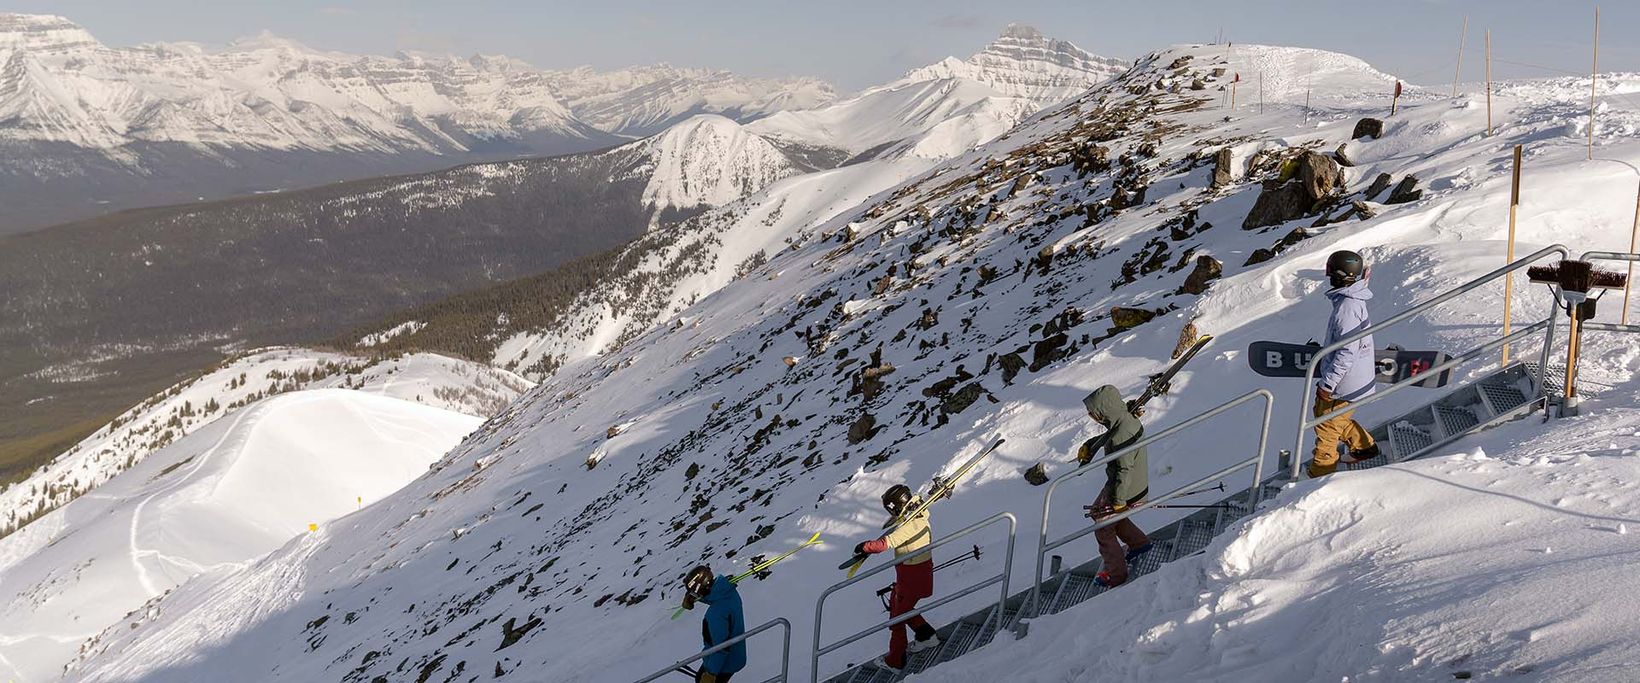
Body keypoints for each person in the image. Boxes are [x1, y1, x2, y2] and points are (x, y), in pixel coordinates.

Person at [853, 484, 941, 672]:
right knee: (900, 607)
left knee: (896, 620)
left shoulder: (910, 525)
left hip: (911, 578)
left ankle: (895, 662)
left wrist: (864, 547)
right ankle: (927, 637)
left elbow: (886, 543)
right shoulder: (919, 513)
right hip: (917, 574)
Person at [1310, 250, 1380, 478]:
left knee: (1326, 429)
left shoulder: (1346, 308)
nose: (1328, 276)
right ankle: (1364, 447)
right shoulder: (1353, 298)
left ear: (1340, 275)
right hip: (1354, 378)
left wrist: (1327, 385)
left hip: (1345, 383)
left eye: (1330, 272)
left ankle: (1318, 478)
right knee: (1330, 418)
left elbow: (1347, 351)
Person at [1080, 385, 1153, 588]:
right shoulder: (1125, 420)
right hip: (1126, 485)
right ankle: (1139, 544)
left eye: (1093, 413)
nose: (1092, 417)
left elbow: (1124, 470)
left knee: (1103, 527)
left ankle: (1116, 575)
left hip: (1126, 490)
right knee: (1099, 512)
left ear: (1104, 410)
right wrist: (1090, 444)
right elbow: (1110, 434)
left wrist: (1119, 503)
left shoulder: (1122, 434)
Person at [682, 566, 746, 683]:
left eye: (695, 594)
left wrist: (711, 674)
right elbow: (715, 596)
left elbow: (721, 647)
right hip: (736, 654)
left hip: (724, 664)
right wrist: (694, 598)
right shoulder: (728, 593)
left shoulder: (716, 614)